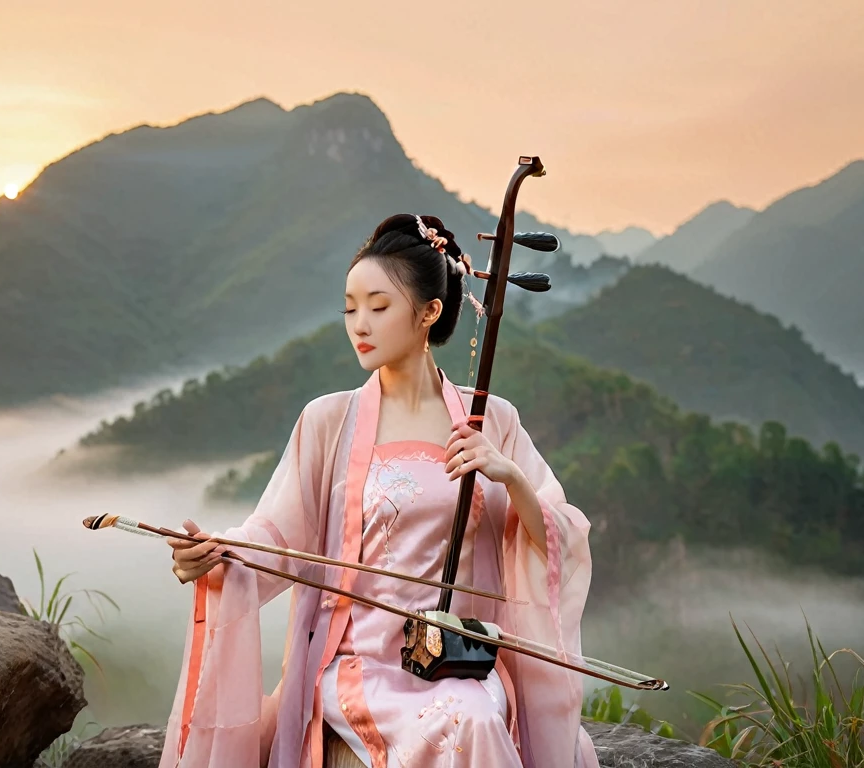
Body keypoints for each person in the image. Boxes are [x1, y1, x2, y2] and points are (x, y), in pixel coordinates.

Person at [161, 214, 599, 768]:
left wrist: (508, 476)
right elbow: (275, 534)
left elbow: (559, 533)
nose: (359, 324)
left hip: (454, 657)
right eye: (350, 307)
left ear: (429, 312)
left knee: (477, 718)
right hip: (358, 660)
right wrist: (216, 557)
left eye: (378, 305)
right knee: (465, 721)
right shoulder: (328, 420)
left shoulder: (493, 419)